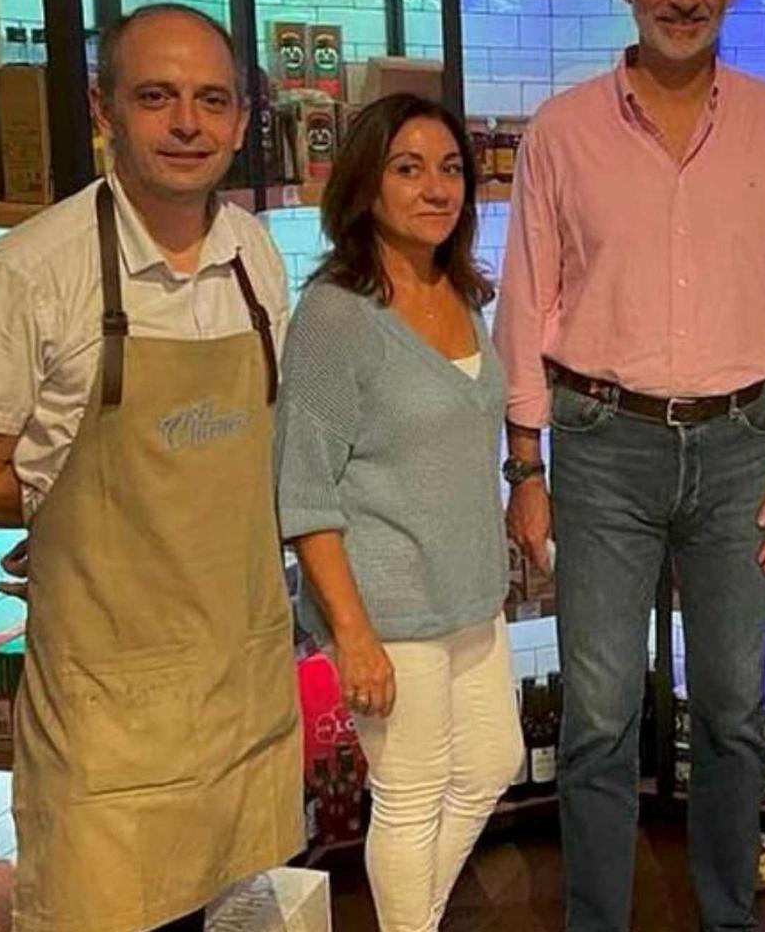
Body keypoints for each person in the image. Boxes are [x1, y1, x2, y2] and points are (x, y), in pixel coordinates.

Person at [0, 3, 301, 932]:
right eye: (156, 97)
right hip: (110, 711)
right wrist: (71, 514)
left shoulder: (254, 255)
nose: (187, 124)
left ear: (242, 120)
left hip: (238, 686)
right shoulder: (29, 272)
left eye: (212, 100)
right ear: (103, 108)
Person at [493, 0, 765, 932]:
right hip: (601, 444)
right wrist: (526, 468)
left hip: (741, 446)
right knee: (599, 717)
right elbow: (526, 301)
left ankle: (727, 914)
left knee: (734, 709)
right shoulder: (562, 131)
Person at [275, 94, 523, 931]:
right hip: (388, 604)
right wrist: (352, 634)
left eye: (450, 169)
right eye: (408, 169)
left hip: (469, 594)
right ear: (366, 186)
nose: (436, 188)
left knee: (492, 763)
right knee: (412, 794)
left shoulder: (462, 292)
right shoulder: (335, 314)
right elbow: (304, 490)